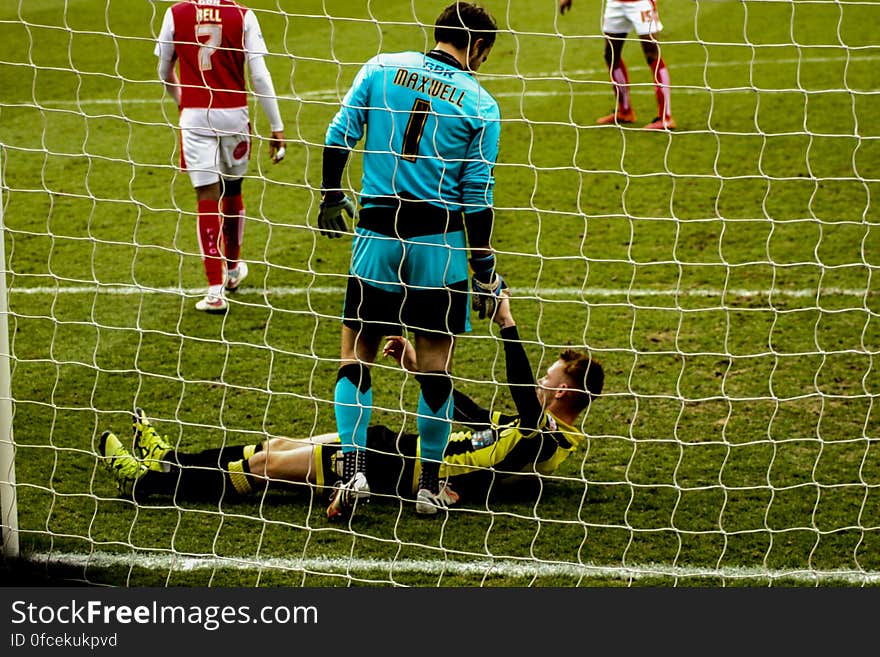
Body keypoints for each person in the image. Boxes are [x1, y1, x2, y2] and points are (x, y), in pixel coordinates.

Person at [97, 292, 605, 516]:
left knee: (268, 464)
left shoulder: (549, 439)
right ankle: (168, 462)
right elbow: (471, 414)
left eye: (549, 376)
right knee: (278, 446)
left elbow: (519, 390)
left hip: (396, 471)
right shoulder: (531, 430)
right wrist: (418, 368)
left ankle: (152, 481)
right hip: (397, 448)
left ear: (561, 393)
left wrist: (506, 322)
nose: (540, 379)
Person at [315, 2, 506, 517]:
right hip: (438, 247)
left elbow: (338, 136)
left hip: (377, 234)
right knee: (436, 368)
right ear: (479, 48)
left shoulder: (381, 68)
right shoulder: (481, 104)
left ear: (438, 33)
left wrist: (332, 195)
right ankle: (427, 486)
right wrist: (486, 274)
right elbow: (477, 199)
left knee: (356, 355)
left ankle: (352, 472)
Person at [155, 0, 287, 314]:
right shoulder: (243, 15)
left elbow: (164, 71)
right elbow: (259, 76)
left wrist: (182, 100)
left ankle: (214, 291)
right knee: (234, 188)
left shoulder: (176, 13)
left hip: (196, 118)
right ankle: (231, 271)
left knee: (206, 197)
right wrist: (277, 125)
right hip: (234, 118)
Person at [559, 0, 675, 130]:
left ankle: (666, 117)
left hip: (641, 3)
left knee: (651, 53)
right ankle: (625, 111)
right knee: (611, 54)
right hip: (615, 4)